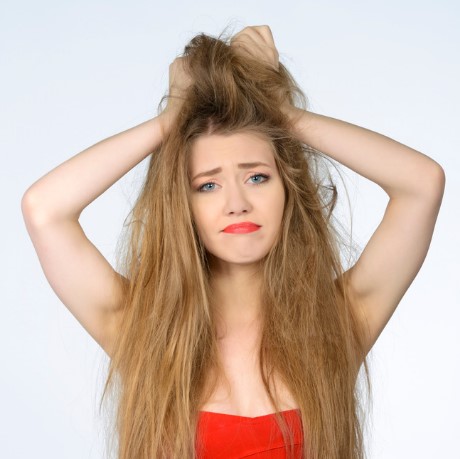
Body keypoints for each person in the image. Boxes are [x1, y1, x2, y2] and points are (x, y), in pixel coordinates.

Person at [21, 25, 445, 459]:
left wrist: (281, 114)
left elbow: (422, 184)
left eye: (256, 176)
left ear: (287, 189)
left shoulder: (339, 322)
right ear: (181, 204)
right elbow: (44, 209)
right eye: (208, 185)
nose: (237, 203)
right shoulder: (140, 329)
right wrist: (172, 121)